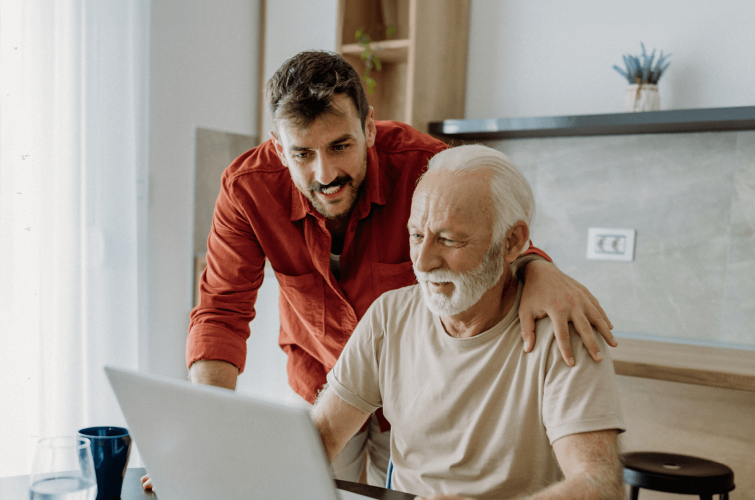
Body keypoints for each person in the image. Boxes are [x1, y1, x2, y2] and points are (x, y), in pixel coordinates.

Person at [177, 50, 615, 486]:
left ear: (368, 127)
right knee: (308, 484)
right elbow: (221, 312)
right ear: (277, 147)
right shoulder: (247, 189)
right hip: (321, 380)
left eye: (340, 146)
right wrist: (211, 442)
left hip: (415, 391)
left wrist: (539, 268)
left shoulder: (424, 167)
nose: (324, 172)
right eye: (303, 154)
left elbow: (495, 237)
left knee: (413, 482)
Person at [312, 144, 624, 499]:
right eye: (416, 235)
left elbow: (599, 485)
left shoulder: (562, 331)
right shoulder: (389, 315)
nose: (423, 261)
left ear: (511, 242)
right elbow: (320, 436)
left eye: (448, 239)